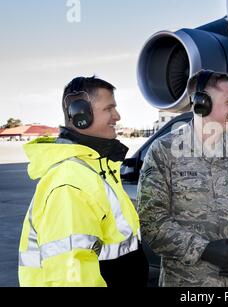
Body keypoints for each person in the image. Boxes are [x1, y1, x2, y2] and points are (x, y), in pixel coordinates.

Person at [137, 70, 228, 287]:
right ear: (202, 104)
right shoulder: (164, 151)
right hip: (188, 283)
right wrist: (205, 250)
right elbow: (151, 222)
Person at [18, 76, 149, 287]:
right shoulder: (71, 183)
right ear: (81, 115)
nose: (117, 116)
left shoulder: (95, 169)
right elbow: (70, 276)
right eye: (109, 108)